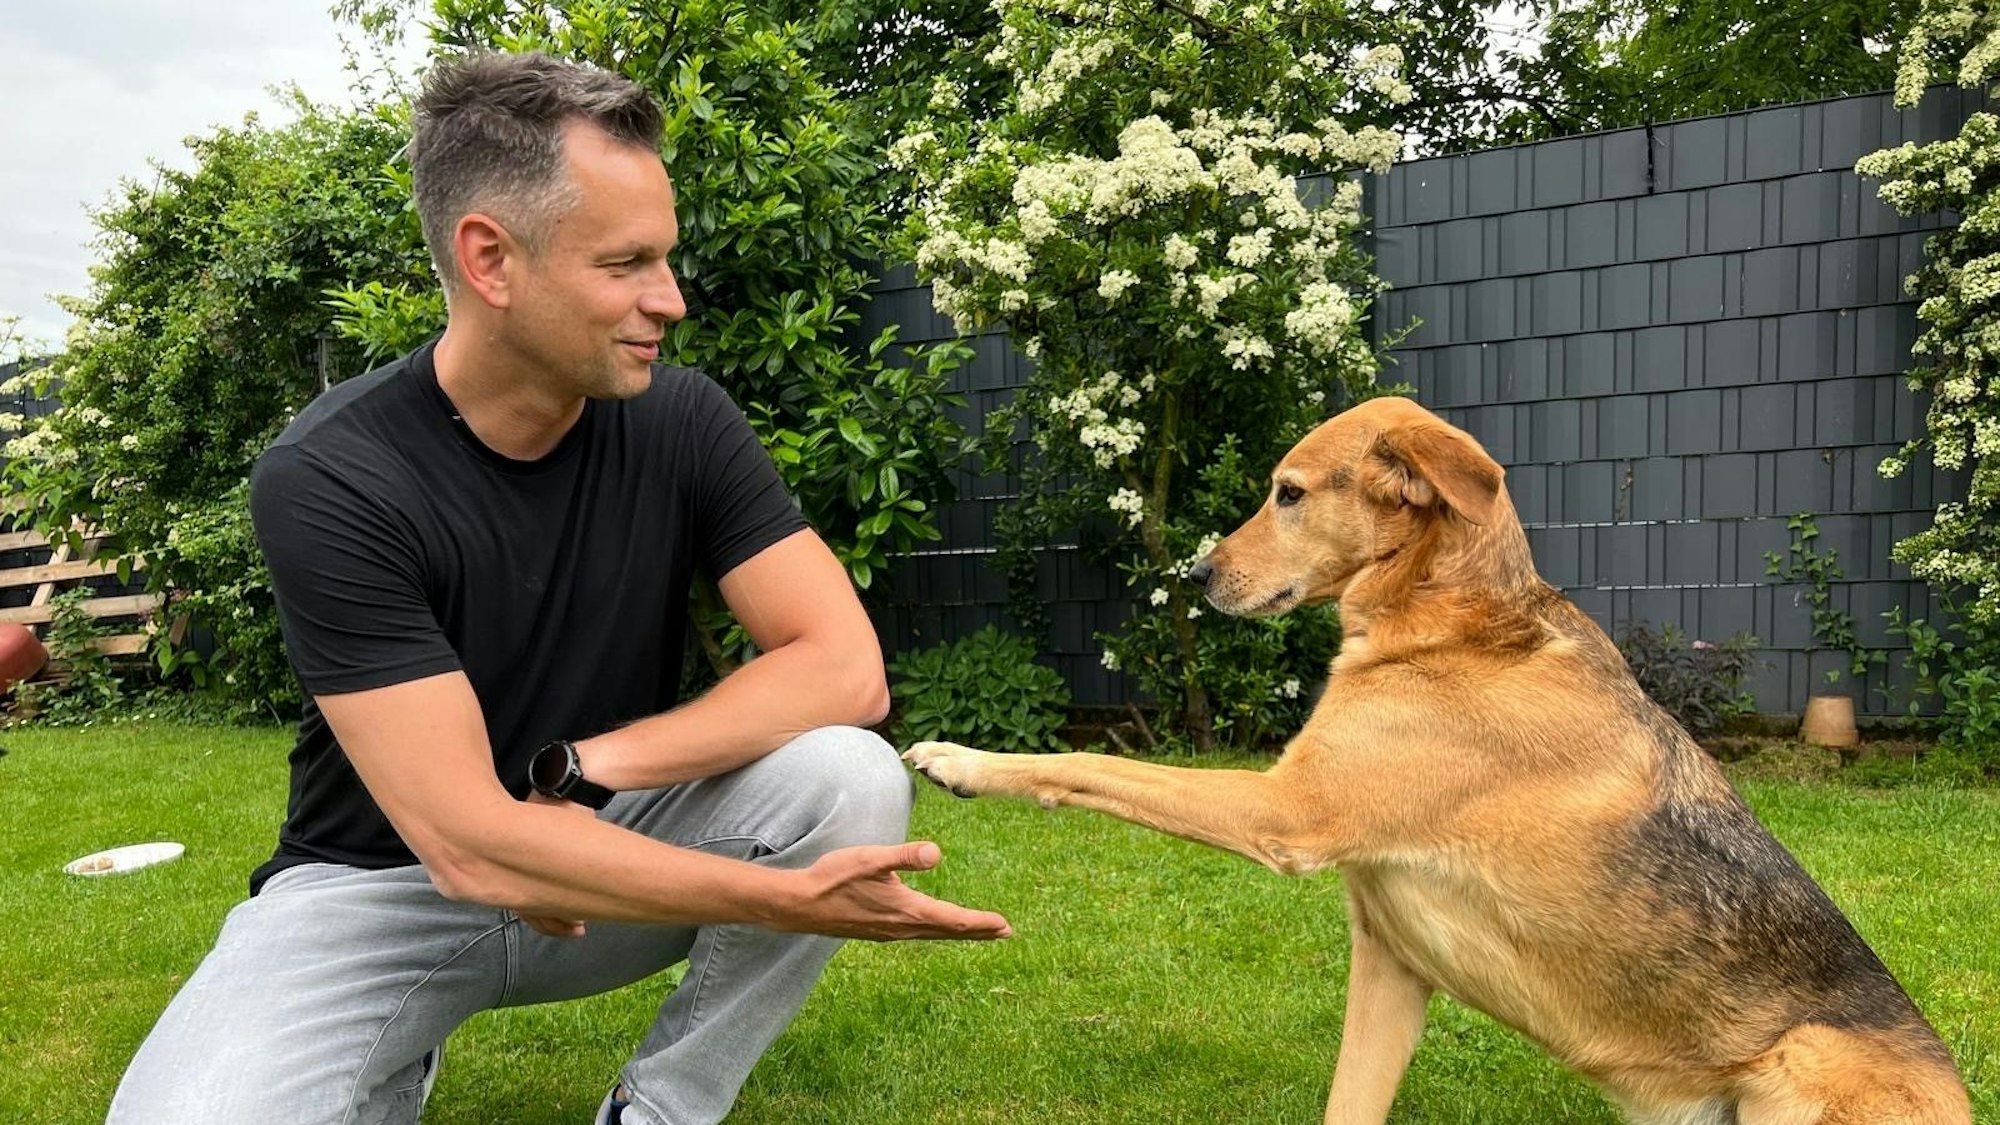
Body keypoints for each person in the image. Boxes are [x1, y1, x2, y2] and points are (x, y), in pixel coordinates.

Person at [107, 50, 1010, 1125]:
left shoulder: (681, 421)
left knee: (844, 774)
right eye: (626, 263)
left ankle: (661, 1107)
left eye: (665, 259)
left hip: (608, 850)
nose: (667, 300)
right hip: (378, 894)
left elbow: (843, 666)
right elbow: (471, 843)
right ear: (490, 259)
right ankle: (400, 1037)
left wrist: (587, 769)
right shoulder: (334, 476)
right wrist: (784, 901)